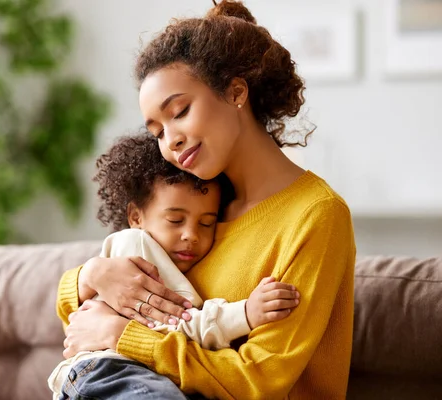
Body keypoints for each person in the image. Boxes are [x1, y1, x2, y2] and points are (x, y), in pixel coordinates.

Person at [57, 1, 356, 399]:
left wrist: (122, 337)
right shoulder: (202, 203)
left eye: (179, 111)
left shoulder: (315, 215)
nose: (171, 141)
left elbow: (260, 379)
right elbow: (81, 330)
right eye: (157, 132)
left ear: (235, 92)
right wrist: (88, 277)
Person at [49, 133, 299, 398]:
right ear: (136, 217)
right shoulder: (135, 246)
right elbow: (176, 324)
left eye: (206, 223)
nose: (191, 235)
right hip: (110, 370)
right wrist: (246, 313)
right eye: (175, 220)